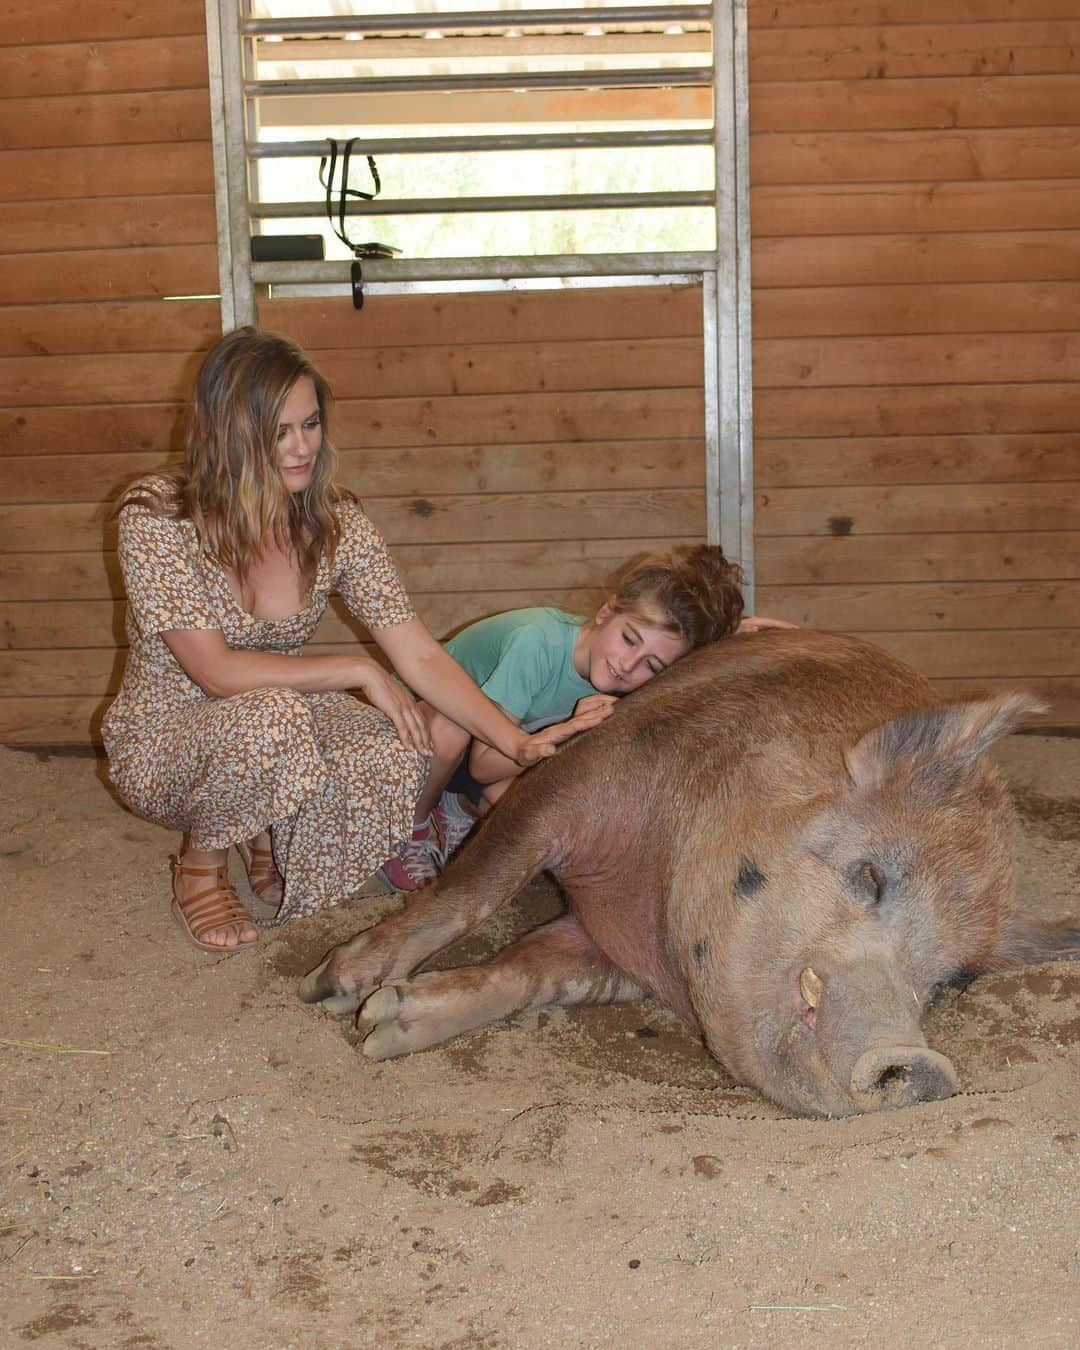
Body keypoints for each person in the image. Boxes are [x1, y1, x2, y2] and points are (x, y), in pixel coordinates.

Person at [102, 327, 604, 953]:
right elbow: (214, 672)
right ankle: (202, 867)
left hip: (270, 716)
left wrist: (516, 742)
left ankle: (265, 827)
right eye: (278, 431)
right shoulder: (157, 515)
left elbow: (418, 652)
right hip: (163, 735)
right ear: (228, 433)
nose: (301, 447)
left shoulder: (336, 525)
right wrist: (354, 670)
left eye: (310, 424)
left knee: (404, 747)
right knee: (274, 721)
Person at [378, 547, 794, 890]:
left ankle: (456, 807)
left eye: (651, 665)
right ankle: (410, 832)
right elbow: (484, 762)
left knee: (543, 829)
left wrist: (729, 638)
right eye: (629, 638)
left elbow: (681, 663)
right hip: (417, 734)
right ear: (605, 611)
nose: (628, 665)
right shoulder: (536, 642)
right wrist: (563, 732)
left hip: (496, 750)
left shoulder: (629, 669)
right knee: (451, 728)